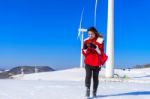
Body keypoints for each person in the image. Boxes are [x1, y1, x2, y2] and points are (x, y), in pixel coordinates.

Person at [82, 27, 108, 98]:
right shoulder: (86, 41)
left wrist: (95, 47)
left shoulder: (100, 40)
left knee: (95, 78)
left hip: (96, 63)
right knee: (88, 76)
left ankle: (94, 92)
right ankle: (87, 91)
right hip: (88, 62)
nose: (90, 36)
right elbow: (85, 54)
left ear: (95, 33)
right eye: (89, 34)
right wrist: (84, 48)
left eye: (92, 34)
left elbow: (101, 52)